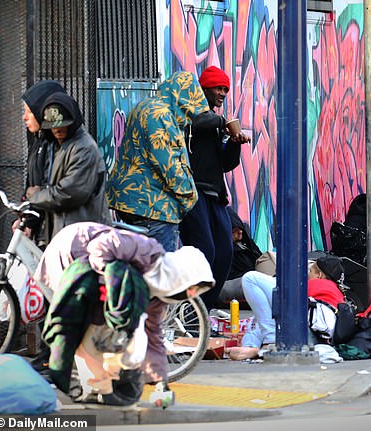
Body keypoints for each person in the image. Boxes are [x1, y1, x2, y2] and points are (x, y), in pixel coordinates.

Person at [32, 222, 215, 405]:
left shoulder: (158, 295)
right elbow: (99, 247)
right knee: (89, 330)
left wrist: (160, 382)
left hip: (97, 278)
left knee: (106, 331)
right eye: (191, 288)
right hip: (73, 251)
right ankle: (87, 385)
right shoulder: (146, 250)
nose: (191, 295)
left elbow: (154, 337)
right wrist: (113, 284)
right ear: (179, 276)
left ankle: (94, 385)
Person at [105, 71, 209, 391]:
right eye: (190, 109)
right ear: (184, 97)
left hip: (129, 203)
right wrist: (189, 198)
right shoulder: (162, 116)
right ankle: (148, 355)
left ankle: (126, 346)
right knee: (155, 285)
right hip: (155, 208)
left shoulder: (145, 106)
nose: (190, 117)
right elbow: (170, 164)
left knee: (133, 277)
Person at [180, 66, 251, 309]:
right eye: (218, 88)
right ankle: (192, 309)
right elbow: (199, 121)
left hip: (215, 196)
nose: (222, 93)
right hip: (194, 194)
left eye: (225, 89)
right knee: (204, 251)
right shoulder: (193, 114)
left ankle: (204, 309)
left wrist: (234, 142)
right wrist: (225, 123)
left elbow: (227, 163)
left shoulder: (213, 120)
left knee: (224, 252)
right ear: (204, 88)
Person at [26, 92, 110, 244]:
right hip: (67, 234)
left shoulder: (84, 148)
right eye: (53, 127)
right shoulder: (58, 146)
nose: (58, 130)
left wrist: (36, 196)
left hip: (83, 237)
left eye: (63, 125)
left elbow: (69, 193)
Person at [225, 256, 345, 361]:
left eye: (310, 271)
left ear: (319, 275)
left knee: (250, 278)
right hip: (317, 341)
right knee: (265, 315)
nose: (307, 274)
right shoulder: (338, 294)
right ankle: (251, 347)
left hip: (304, 335)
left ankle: (265, 342)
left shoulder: (318, 284)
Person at [16, 80, 67, 244]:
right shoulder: (38, 141)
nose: (24, 117)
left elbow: (52, 186)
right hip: (42, 227)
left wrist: (30, 219)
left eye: (29, 112)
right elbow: (32, 184)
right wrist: (24, 218)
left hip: (55, 231)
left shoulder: (55, 145)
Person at [214, 207, 262, 307]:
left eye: (240, 229)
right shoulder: (223, 249)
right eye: (234, 231)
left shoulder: (247, 244)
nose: (240, 232)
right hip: (235, 285)